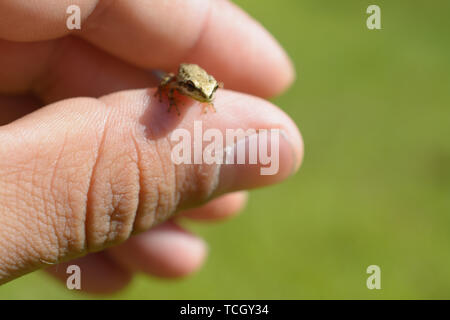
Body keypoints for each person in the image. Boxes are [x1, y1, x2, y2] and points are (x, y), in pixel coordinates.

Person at [0, 0, 303, 293]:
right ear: (188, 88)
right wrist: (172, 96)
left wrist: (205, 95)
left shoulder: (205, 89)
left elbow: (206, 88)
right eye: (197, 91)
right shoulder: (179, 84)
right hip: (185, 74)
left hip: (198, 75)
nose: (202, 96)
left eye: (207, 92)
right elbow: (170, 83)